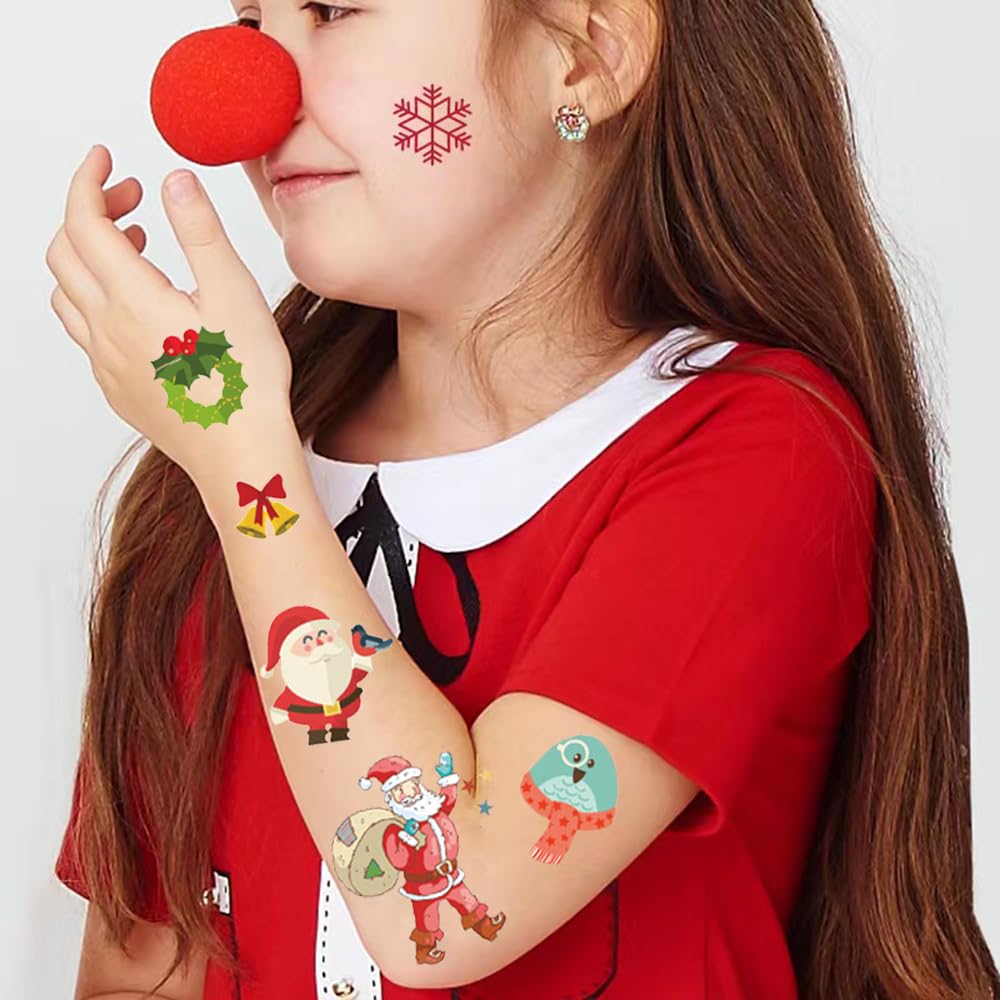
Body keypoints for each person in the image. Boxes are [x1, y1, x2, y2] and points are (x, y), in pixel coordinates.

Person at [46, 1, 998, 999]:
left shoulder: (761, 447)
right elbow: (144, 967)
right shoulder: (217, 475)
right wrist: (235, 461)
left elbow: (444, 906)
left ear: (587, 57)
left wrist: (246, 469)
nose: (248, 97)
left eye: (332, 9)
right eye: (251, 25)